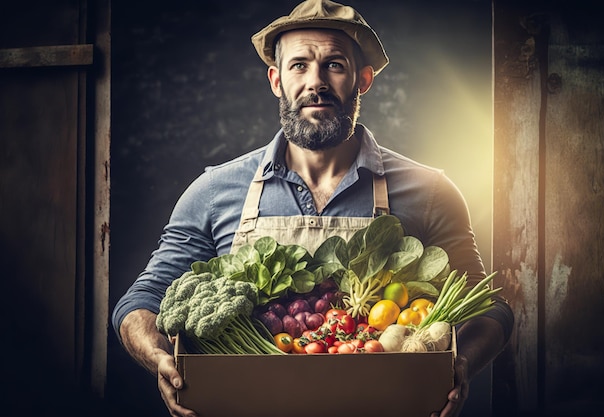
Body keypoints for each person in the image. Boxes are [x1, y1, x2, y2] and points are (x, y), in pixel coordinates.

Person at [112, 1, 514, 416]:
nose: (315, 82)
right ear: (276, 80)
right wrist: (160, 359)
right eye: (299, 65)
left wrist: (458, 363)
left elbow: (488, 307)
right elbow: (142, 299)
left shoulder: (430, 191)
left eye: (334, 65)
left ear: (363, 79)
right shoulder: (214, 190)